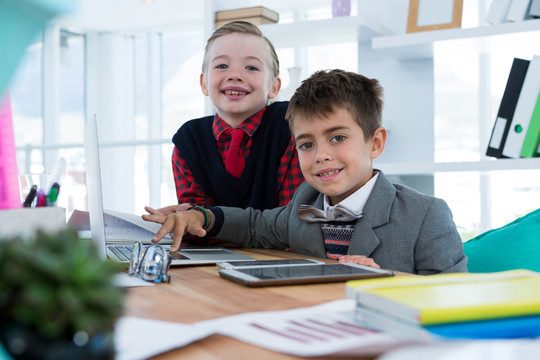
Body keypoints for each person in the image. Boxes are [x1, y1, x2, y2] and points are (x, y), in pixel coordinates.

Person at [146, 69, 468, 275]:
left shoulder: (426, 215)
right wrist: (202, 216)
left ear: (375, 143)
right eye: (306, 144)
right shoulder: (305, 200)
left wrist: (388, 281)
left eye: (338, 138)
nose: (321, 155)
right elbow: (255, 225)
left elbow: (455, 300)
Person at [144, 21, 303, 224]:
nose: (235, 75)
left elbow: (287, 221)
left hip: (279, 254)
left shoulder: (291, 128)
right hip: (216, 254)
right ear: (204, 83)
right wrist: (186, 219)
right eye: (222, 66)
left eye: (251, 67)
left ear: (274, 86)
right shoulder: (188, 141)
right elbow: (199, 226)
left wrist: (207, 220)